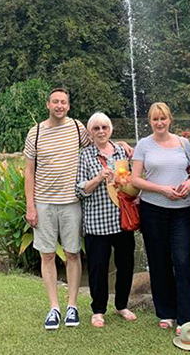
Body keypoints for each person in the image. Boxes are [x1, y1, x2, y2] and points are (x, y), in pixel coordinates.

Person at [24, 88, 90, 330]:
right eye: (55, 102)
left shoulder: (77, 129)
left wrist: (121, 145)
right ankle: (54, 307)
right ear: (47, 104)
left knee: (73, 253)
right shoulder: (36, 132)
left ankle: (72, 305)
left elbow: (99, 142)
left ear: (68, 106)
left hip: (71, 202)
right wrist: (30, 206)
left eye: (63, 102)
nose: (59, 106)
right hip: (44, 202)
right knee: (47, 255)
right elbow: (29, 171)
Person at [131, 102, 190, 333]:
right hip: (153, 209)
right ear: (150, 122)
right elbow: (135, 180)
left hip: (181, 210)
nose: (159, 123)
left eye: (163, 118)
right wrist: (162, 190)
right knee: (159, 261)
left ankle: (186, 316)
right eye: (155, 119)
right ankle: (166, 312)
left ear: (170, 120)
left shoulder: (183, 143)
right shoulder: (143, 145)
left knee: (181, 260)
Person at [75, 112, 137, 328]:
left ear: (110, 129)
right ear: (90, 133)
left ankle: (121, 304)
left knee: (126, 264)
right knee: (98, 268)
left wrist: (122, 182)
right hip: (96, 222)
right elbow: (80, 189)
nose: (101, 131)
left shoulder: (122, 151)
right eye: (96, 128)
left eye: (104, 127)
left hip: (122, 219)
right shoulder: (84, 155)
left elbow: (132, 182)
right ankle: (98, 310)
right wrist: (99, 178)